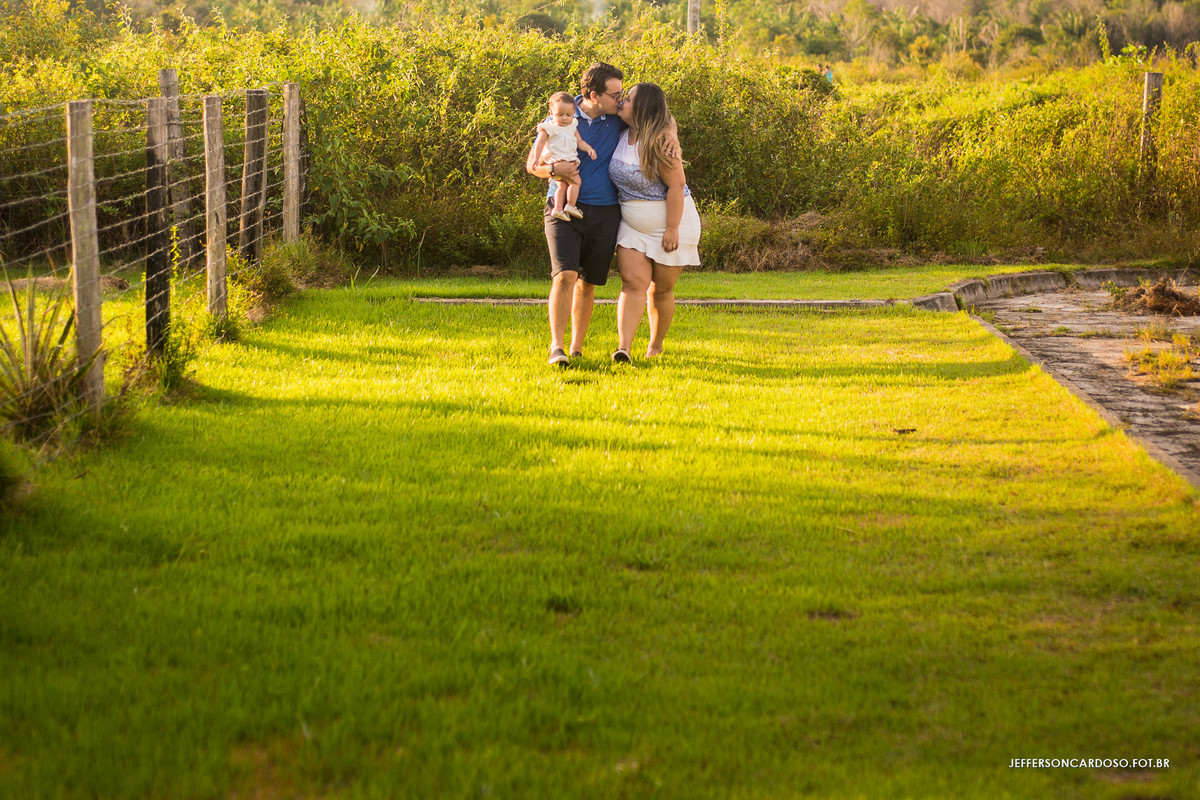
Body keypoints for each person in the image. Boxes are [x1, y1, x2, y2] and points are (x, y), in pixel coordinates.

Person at [525, 63, 625, 368]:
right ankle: (556, 347)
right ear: (594, 95)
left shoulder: (618, 118)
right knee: (564, 274)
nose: (620, 100)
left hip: (605, 210)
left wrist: (670, 134)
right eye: (615, 94)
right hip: (560, 206)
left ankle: (576, 348)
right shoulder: (561, 115)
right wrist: (554, 169)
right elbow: (532, 165)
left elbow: (659, 117)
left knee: (588, 281)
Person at [607, 83, 701, 362]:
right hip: (633, 225)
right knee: (632, 283)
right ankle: (624, 347)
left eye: (628, 98)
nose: (622, 101)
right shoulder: (621, 132)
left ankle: (655, 347)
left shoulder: (661, 142)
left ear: (642, 108)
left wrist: (672, 228)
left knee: (661, 289)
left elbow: (677, 186)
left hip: (672, 224)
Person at [532, 92, 598, 221]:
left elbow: (579, 142)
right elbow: (540, 143)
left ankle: (558, 208)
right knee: (576, 182)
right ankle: (571, 205)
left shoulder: (572, 125)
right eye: (560, 114)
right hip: (557, 161)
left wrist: (588, 148)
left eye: (568, 115)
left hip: (568, 159)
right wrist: (536, 158)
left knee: (562, 186)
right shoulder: (549, 127)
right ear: (551, 113)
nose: (564, 118)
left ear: (573, 113)